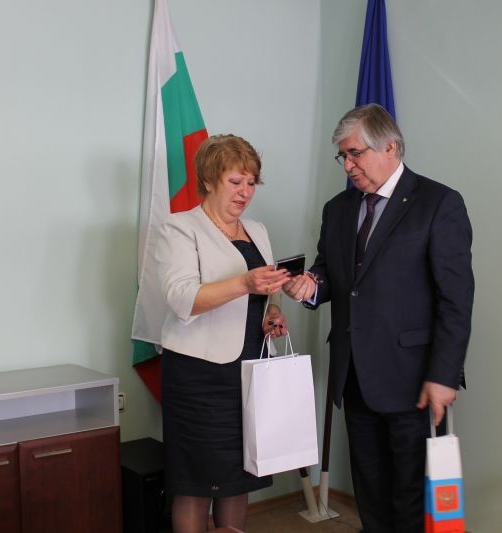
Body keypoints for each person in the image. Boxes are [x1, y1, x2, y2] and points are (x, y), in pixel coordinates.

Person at [284, 104, 474, 532]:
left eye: (355, 153)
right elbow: (331, 273)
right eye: (343, 156)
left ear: (390, 147)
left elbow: (456, 300)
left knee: (409, 496)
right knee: (370, 491)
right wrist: (310, 287)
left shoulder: (438, 203)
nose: (347, 165)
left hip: (413, 380)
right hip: (354, 377)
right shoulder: (337, 209)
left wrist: (444, 375)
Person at [154, 134, 291, 533]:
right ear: (209, 180)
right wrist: (245, 283)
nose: (245, 192)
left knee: (237, 479)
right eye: (235, 182)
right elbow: (182, 298)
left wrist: (271, 313)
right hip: (199, 376)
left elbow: (260, 298)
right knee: (196, 483)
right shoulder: (180, 228)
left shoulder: (258, 230)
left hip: (250, 370)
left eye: (251, 183)